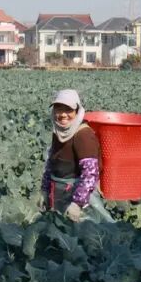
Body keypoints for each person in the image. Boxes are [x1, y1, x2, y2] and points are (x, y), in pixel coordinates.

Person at [41, 89, 114, 223]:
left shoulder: (83, 135)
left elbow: (90, 173)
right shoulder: (58, 131)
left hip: (80, 198)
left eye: (68, 110)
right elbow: (51, 163)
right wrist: (45, 190)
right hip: (59, 193)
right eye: (58, 109)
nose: (62, 115)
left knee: (85, 235)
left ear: (77, 111)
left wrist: (77, 203)